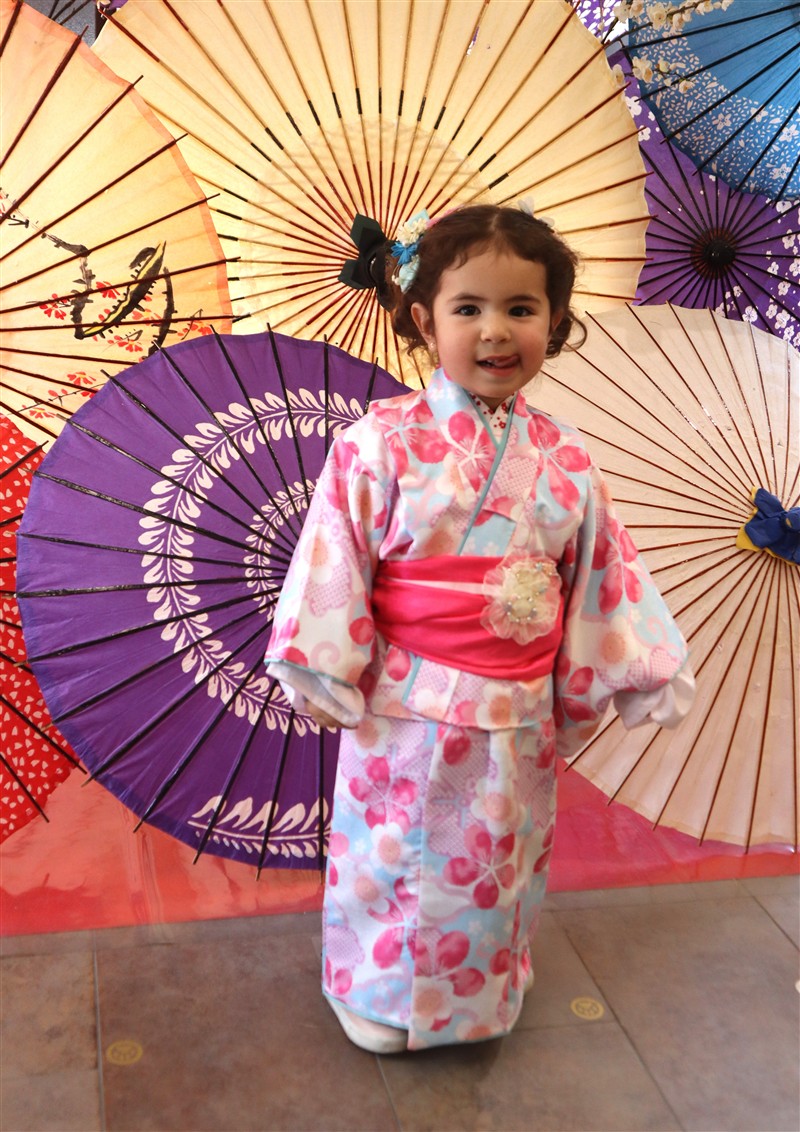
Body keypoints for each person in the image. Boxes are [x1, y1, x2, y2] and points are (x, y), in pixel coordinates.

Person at [265, 204, 694, 1054]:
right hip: (406, 700)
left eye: (521, 308)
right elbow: (335, 557)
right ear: (425, 321)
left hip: (517, 702)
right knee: (393, 848)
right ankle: (378, 992)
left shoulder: (566, 456)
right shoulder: (379, 441)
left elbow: (604, 570)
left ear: (554, 322)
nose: (495, 330)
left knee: (501, 850)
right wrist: (322, 662)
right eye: (468, 308)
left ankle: (484, 982)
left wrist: (641, 664)